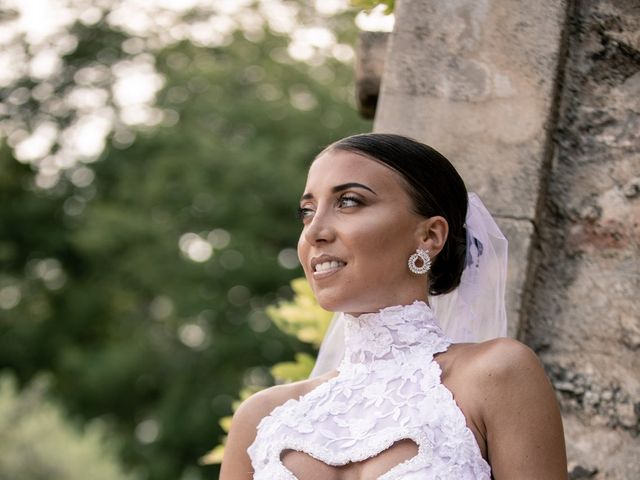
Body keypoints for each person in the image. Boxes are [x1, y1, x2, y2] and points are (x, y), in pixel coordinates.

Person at [219, 133, 567, 479]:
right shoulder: (261, 419)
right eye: (307, 212)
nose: (314, 232)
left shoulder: (497, 374)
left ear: (429, 237)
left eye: (349, 201)